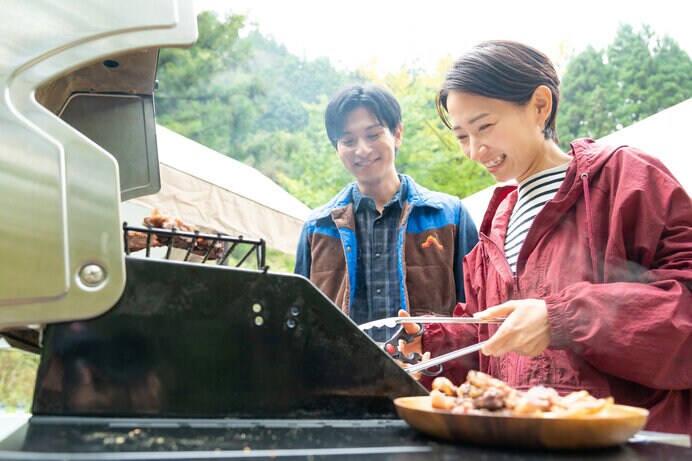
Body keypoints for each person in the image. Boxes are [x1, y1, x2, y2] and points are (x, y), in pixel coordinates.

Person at [397, 40, 692, 435]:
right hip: (519, 442)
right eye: (462, 136)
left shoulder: (627, 179)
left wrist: (561, 319)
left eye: (484, 125)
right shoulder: (495, 224)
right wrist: (433, 342)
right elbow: (490, 343)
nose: (474, 150)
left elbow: (684, 303)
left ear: (539, 105)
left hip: (626, 444)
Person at [295, 83, 478, 342]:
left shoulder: (450, 216)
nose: (362, 150)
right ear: (337, 148)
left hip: (429, 378)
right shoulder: (318, 228)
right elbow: (300, 318)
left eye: (373, 135)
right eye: (348, 140)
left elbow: (476, 314)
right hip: (342, 379)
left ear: (397, 134)